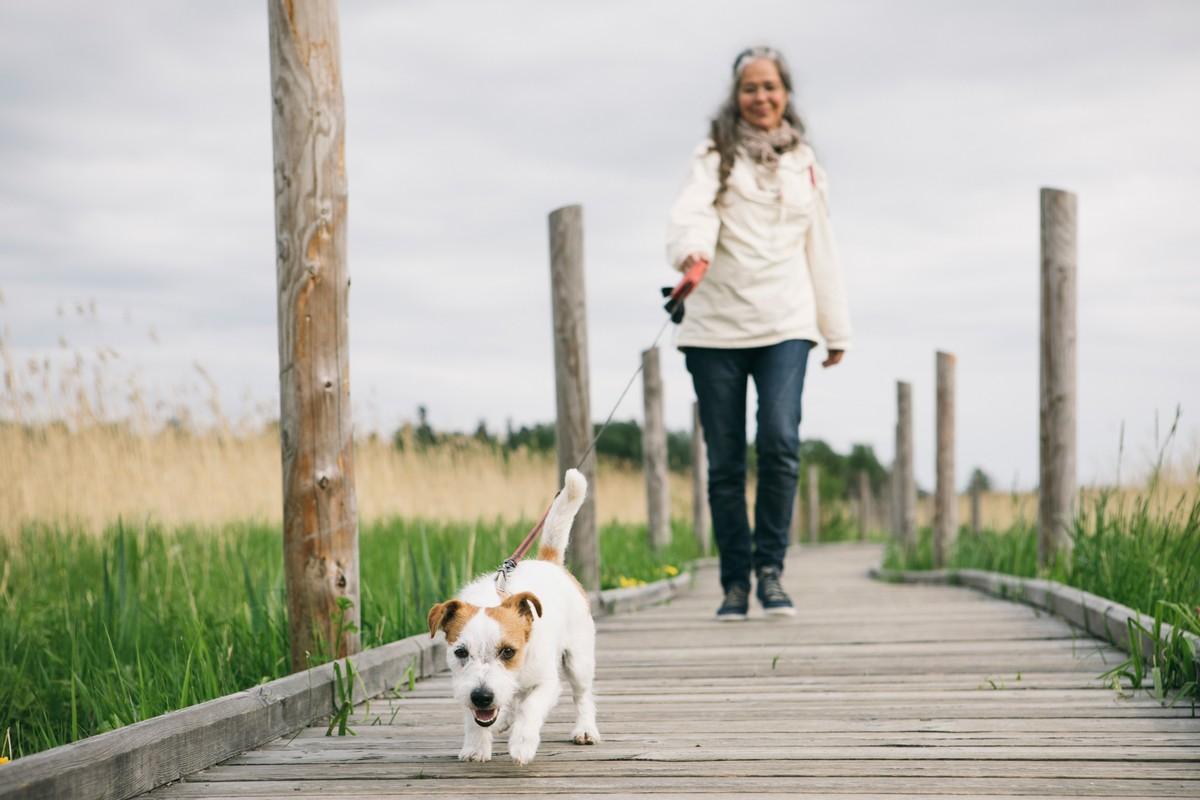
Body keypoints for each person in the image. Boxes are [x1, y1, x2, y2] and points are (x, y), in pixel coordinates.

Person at [666, 46, 852, 621]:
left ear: (785, 93)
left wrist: (834, 325)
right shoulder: (713, 156)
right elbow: (691, 212)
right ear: (736, 95)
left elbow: (820, 244)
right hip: (715, 325)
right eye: (750, 88)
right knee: (724, 462)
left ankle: (770, 571)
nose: (761, 97)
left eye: (770, 86)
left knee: (779, 443)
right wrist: (692, 255)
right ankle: (733, 585)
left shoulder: (805, 163)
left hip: (786, 324)